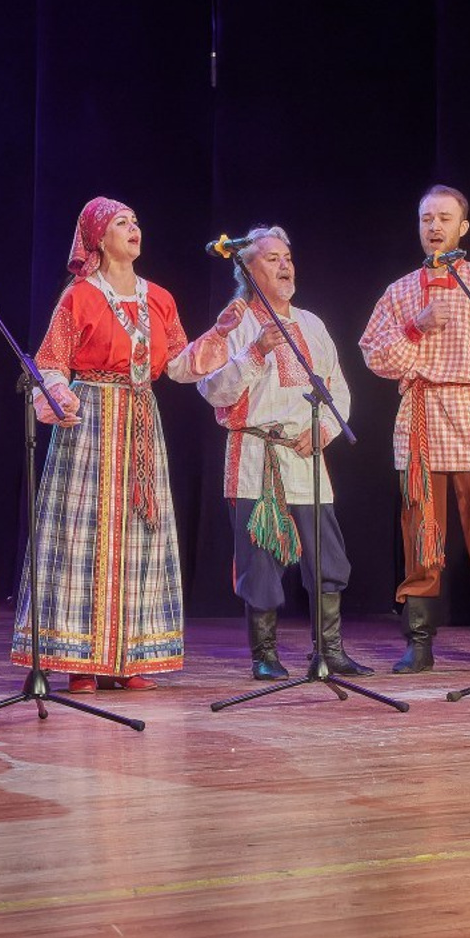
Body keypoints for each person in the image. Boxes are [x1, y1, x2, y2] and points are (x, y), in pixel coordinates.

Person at [10, 196, 236, 692]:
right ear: (98, 237)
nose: (134, 228)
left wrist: (216, 336)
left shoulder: (160, 298)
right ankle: (80, 659)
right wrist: (61, 398)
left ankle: (131, 656)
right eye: (121, 222)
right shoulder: (79, 296)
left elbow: (177, 366)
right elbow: (51, 362)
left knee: (140, 532)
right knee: (82, 534)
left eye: (136, 220)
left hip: (139, 418)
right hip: (90, 418)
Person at [359, 184, 470, 674]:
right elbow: (375, 356)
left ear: (463, 226)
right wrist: (416, 325)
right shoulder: (399, 292)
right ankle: (419, 640)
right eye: (425, 219)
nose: (434, 227)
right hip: (421, 417)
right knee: (421, 532)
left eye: (443, 218)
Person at [196, 226, 373, 679]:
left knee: (327, 556)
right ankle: (265, 654)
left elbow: (337, 386)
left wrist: (326, 430)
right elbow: (212, 390)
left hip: (305, 455)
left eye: (287, 256)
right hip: (255, 454)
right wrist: (254, 352)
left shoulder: (311, 324)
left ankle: (329, 651)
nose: (284, 265)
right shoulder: (234, 323)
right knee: (259, 558)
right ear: (247, 268)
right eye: (272, 258)